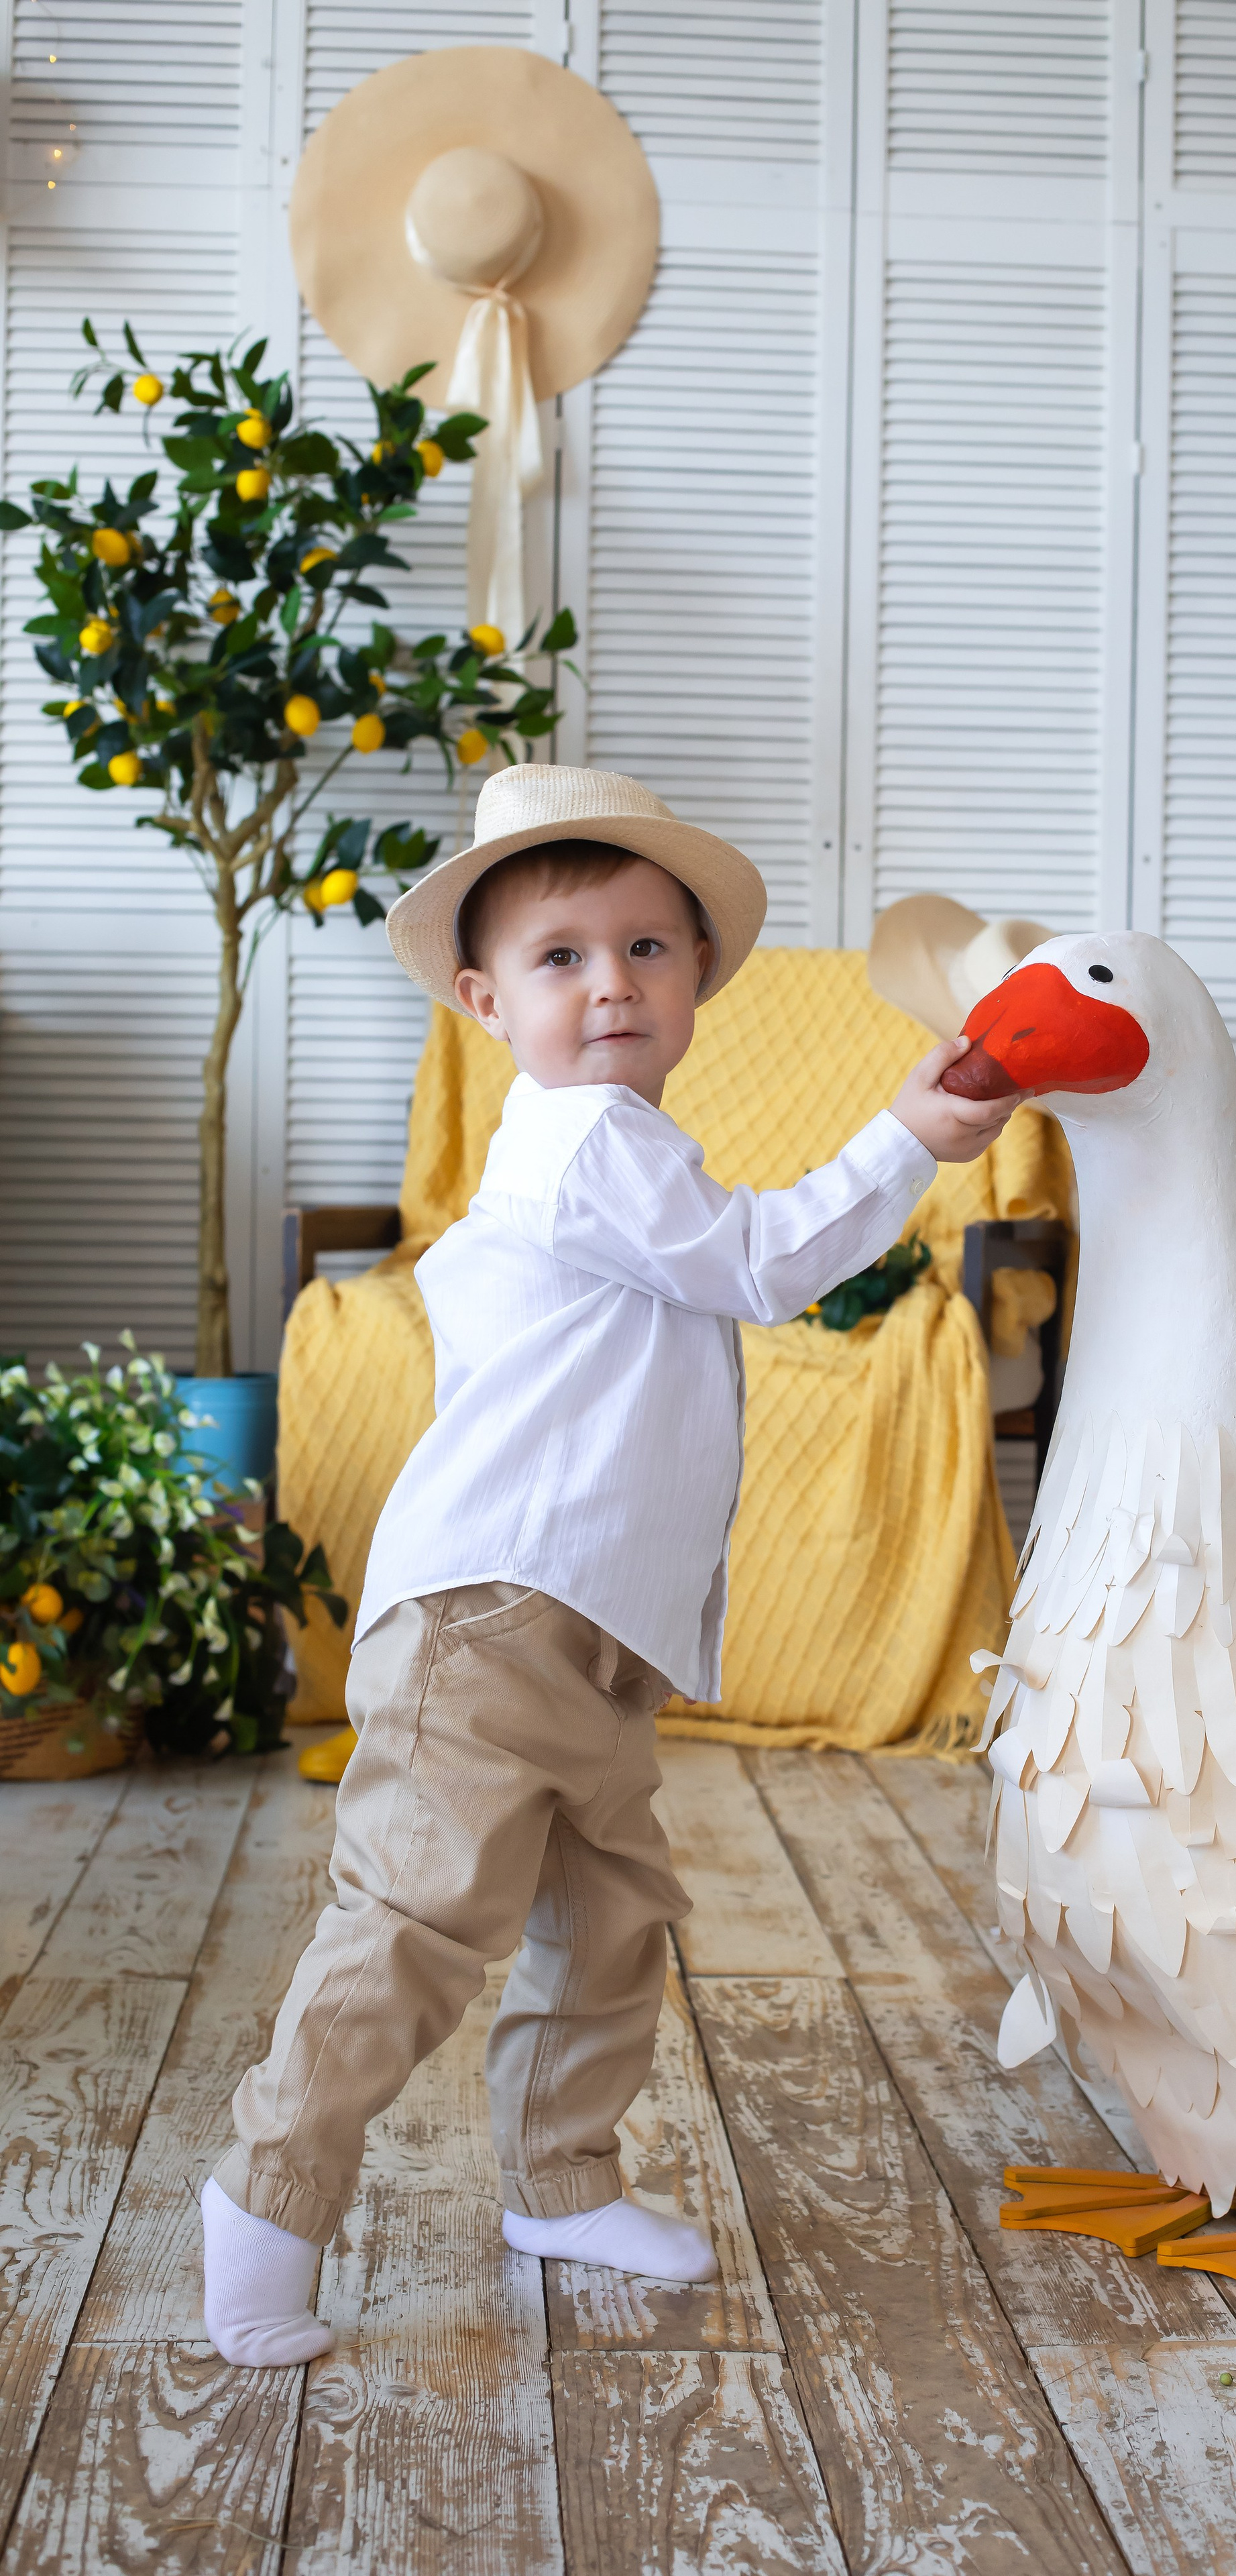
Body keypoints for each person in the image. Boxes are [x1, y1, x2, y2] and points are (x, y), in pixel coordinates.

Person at [201, 765, 1019, 2364]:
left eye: (648, 949)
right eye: (562, 958)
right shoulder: (583, 1141)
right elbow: (762, 1264)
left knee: (609, 1913)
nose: (612, 986)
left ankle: (562, 2182)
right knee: (422, 1915)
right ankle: (267, 2193)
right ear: (485, 1002)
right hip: (490, 1617)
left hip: (581, 1625)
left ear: (698, 979)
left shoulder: (630, 1144)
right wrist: (908, 1139)